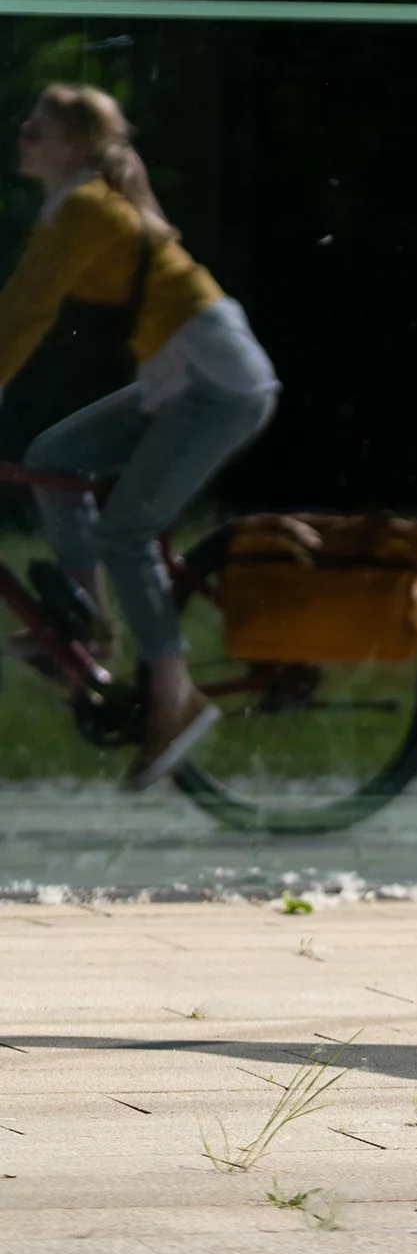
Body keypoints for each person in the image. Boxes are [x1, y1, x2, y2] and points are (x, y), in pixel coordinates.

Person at [0, 84, 280, 785]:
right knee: (53, 460)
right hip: (183, 377)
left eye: (37, 130)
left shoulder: (86, 207)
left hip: (218, 382)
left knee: (127, 530)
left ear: (74, 146)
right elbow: (20, 306)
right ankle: (91, 623)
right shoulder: (74, 206)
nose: (22, 136)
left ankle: (175, 694)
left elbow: (25, 314)